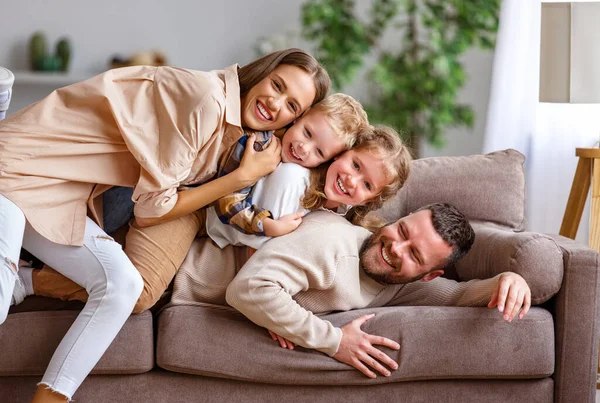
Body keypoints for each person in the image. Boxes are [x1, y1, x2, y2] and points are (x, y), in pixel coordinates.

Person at [0, 47, 329, 403]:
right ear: (262, 72)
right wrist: (240, 178)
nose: (276, 104)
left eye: (292, 106)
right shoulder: (206, 99)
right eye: (277, 85)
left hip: (56, 195)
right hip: (16, 168)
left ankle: (49, 399)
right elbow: (151, 211)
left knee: (123, 286)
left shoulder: (241, 134)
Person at [225, 203, 532, 379]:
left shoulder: (395, 285)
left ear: (428, 276)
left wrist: (508, 279)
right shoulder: (331, 242)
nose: (395, 248)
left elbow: (457, 295)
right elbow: (248, 289)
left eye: (414, 255)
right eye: (401, 231)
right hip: (183, 285)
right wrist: (334, 340)